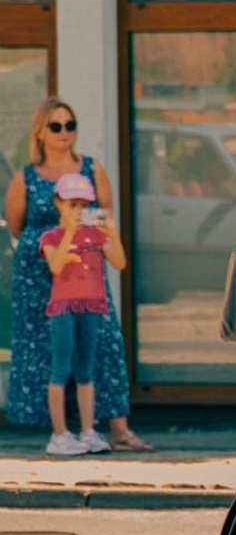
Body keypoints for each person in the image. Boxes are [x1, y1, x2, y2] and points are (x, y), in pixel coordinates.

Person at [3, 96, 154, 450]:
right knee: (48, 348)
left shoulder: (90, 168)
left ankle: (116, 428)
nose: (64, 132)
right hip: (39, 272)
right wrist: (52, 241)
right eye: (56, 125)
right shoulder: (26, 176)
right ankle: (60, 431)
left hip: (86, 270)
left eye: (70, 125)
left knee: (103, 342)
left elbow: (106, 217)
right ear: (40, 132)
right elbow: (16, 225)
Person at [39, 173, 126, 455]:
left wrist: (112, 234)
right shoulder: (51, 237)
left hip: (91, 305)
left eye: (84, 205)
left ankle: (88, 431)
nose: (78, 210)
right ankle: (60, 434)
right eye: (72, 204)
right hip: (63, 307)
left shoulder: (96, 235)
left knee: (86, 368)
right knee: (61, 368)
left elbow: (119, 263)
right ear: (58, 203)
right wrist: (69, 231)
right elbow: (55, 265)